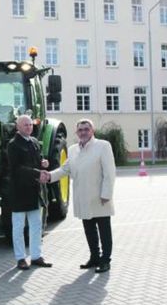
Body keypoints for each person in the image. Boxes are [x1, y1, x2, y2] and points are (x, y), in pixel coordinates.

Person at [41, 118, 116, 273]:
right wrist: (49, 176)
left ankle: (105, 260)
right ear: (77, 132)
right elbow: (64, 169)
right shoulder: (74, 149)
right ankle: (94, 257)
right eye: (80, 130)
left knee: (104, 231)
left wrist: (106, 194)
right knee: (89, 229)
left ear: (92, 131)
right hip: (82, 197)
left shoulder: (103, 146)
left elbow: (110, 173)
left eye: (86, 129)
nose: (83, 132)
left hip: (99, 197)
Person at [7, 115, 52, 270]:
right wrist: (36, 173)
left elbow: (38, 160)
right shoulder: (13, 145)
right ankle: (20, 258)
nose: (29, 127)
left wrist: (43, 163)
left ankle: (36, 256)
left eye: (30, 125)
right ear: (18, 127)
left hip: (34, 191)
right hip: (19, 191)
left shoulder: (34, 142)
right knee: (18, 227)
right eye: (25, 125)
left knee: (36, 225)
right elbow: (16, 168)